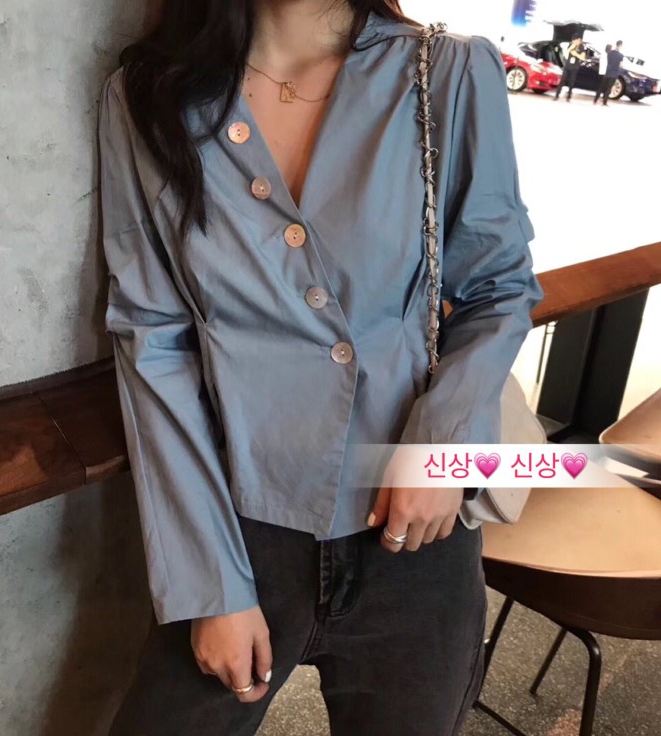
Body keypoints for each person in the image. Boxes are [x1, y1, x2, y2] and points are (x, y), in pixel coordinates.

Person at [98, 1, 543, 735]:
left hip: (414, 536)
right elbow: (153, 337)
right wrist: (210, 583)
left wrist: (442, 448)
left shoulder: (446, 73)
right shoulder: (151, 95)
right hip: (239, 526)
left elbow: (497, 286)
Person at [554, 32, 586, 101]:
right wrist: (571, 48)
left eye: (575, 40)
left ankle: (568, 97)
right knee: (562, 81)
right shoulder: (571, 44)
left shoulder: (581, 47)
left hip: (575, 67)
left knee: (571, 82)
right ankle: (556, 95)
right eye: (573, 40)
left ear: (579, 40)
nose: (573, 41)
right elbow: (566, 54)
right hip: (567, 66)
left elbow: (583, 58)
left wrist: (576, 54)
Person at [595, 40, 625, 105]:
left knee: (601, 87)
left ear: (616, 44)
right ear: (620, 46)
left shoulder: (609, 53)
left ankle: (595, 100)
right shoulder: (621, 55)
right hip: (613, 74)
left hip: (606, 72)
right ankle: (604, 102)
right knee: (608, 89)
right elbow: (621, 65)